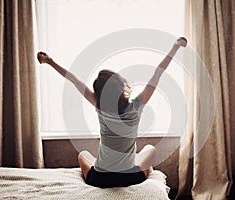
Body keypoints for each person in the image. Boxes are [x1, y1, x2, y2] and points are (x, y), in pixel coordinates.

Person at [37, 37, 187, 188]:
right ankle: (135, 167)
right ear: (121, 87)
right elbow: (158, 73)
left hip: (99, 179)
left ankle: (119, 164)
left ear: (100, 93)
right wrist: (175, 47)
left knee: (83, 154)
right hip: (130, 178)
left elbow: (74, 80)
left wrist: (50, 61)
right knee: (150, 149)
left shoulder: (99, 106)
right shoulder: (136, 105)